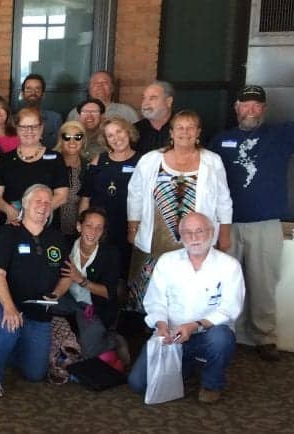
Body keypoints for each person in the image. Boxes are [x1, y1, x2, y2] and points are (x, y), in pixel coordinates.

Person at [207, 85, 294, 362]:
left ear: (264, 109)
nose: (251, 110)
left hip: (265, 222)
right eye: (246, 104)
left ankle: (264, 336)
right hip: (228, 224)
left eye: (257, 105)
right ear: (236, 107)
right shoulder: (220, 141)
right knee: (228, 282)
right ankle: (227, 333)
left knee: (264, 283)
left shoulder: (280, 135)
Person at [126, 212, 245, 404]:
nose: (194, 237)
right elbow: (155, 301)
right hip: (171, 336)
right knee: (138, 384)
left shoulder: (229, 266)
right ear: (180, 236)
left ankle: (211, 383)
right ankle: (186, 365)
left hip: (207, 333)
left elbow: (230, 309)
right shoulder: (167, 261)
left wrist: (194, 326)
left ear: (211, 233)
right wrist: (161, 324)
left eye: (199, 231)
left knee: (221, 338)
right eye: (187, 232)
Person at [126, 110, 232, 312]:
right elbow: (135, 195)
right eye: (180, 127)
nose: (185, 131)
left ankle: (187, 330)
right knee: (151, 292)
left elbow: (223, 200)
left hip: (195, 239)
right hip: (155, 238)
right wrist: (132, 228)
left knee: (190, 291)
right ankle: (153, 333)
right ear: (171, 133)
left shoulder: (212, 161)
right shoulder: (151, 160)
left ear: (198, 132)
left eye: (191, 127)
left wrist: (224, 235)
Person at [0, 184, 67, 398]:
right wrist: (9, 308)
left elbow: (67, 276)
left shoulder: (57, 238)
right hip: (3, 301)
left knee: (35, 373)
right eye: (38, 201)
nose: (43, 206)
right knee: (9, 326)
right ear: (26, 205)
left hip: (39, 312)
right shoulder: (9, 232)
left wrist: (56, 294)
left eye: (48, 202)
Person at [45, 208, 122, 361]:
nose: (93, 231)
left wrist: (81, 279)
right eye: (89, 225)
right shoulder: (64, 244)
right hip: (66, 300)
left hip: (92, 307)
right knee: (37, 306)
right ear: (79, 226)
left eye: (99, 227)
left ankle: (114, 339)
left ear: (103, 231)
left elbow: (108, 293)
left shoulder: (110, 254)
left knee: (90, 353)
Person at [79, 117, 140, 294]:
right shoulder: (99, 159)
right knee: (99, 271)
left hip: (128, 228)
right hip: (100, 229)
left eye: (119, 132)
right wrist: (83, 225)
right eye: (110, 135)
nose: (116, 138)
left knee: (124, 273)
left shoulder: (142, 161)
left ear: (128, 131)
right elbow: (86, 196)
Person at [0, 108, 69, 226]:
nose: (29, 131)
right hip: (13, 224)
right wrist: (8, 209)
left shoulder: (56, 159)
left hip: (44, 225)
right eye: (24, 127)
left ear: (41, 128)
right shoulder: (5, 160)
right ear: (17, 129)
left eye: (34, 126)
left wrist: (36, 213)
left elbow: (62, 196)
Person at [52, 120, 90, 241]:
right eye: (67, 137)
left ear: (83, 140)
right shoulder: (50, 162)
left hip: (79, 232)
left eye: (77, 137)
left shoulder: (88, 166)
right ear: (61, 140)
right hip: (52, 228)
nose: (72, 142)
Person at [66, 71, 139, 123]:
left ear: (112, 88)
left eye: (105, 82)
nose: (100, 86)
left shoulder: (127, 112)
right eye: (95, 83)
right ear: (89, 89)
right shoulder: (75, 113)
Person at [19, 74, 62, 146]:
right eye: (28, 89)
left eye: (37, 89)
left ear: (43, 94)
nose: (33, 93)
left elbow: (59, 146)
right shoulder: (14, 120)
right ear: (23, 94)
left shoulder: (55, 119)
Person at [134, 81, 175, 155]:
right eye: (144, 98)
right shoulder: (135, 130)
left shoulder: (183, 128)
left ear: (168, 101)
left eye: (152, 98)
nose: (145, 103)